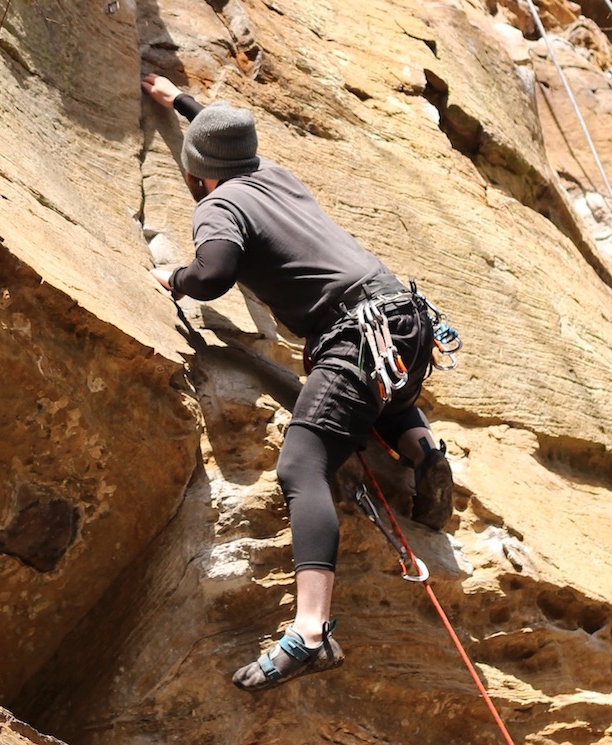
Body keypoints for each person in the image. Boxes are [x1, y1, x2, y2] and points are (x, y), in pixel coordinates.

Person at [141, 73, 454, 691]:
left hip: (355, 335)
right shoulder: (274, 174)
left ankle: (310, 632)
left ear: (199, 174)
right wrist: (180, 100)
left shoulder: (218, 205)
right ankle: (423, 452)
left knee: (302, 465)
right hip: (406, 320)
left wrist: (173, 279)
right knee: (377, 396)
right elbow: (229, 141)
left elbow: (214, 273)